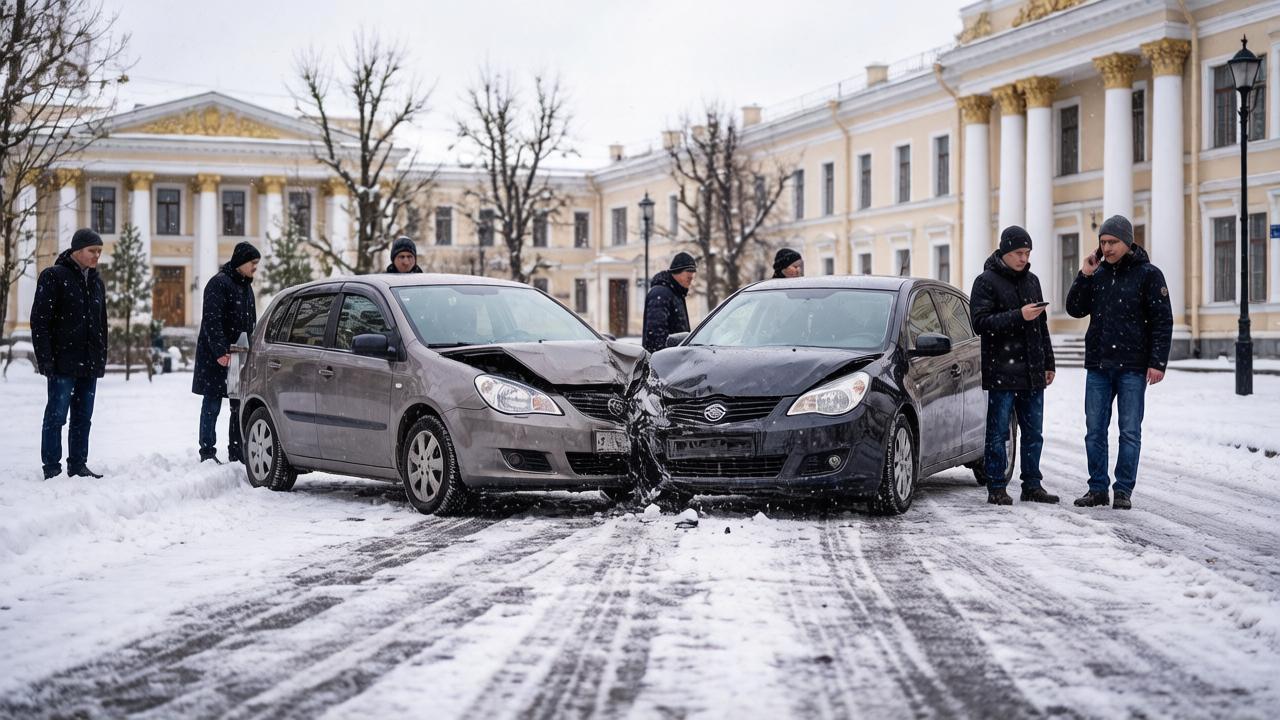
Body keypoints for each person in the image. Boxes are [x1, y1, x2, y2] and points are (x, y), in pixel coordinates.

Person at [1065, 215, 1173, 510]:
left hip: (1133, 367)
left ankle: (1123, 490)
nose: (1107, 248)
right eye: (1103, 242)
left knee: (1129, 432)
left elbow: (1162, 321)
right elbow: (1074, 308)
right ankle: (1097, 489)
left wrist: (1158, 362)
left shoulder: (1149, 275)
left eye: (1112, 242)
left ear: (1127, 242)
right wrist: (1084, 274)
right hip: (1099, 365)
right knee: (1094, 431)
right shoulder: (1097, 274)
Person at [970, 226, 1058, 506]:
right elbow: (980, 323)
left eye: (1027, 253)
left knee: (1034, 433)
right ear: (1005, 251)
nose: (1024, 258)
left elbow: (1041, 325)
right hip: (1002, 370)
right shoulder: (985, 282)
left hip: (1032, 370)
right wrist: (1018, 315)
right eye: (1019, 252)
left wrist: (1048, 362)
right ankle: (996, 486)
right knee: (998, 432)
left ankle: (1032, 484)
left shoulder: (1032, 281)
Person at [31, 228, 109, 479]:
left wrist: (101, 356)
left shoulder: (96, 282)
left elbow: (102, 323)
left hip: (89, 362)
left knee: (83, 418)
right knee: (56, 416)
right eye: (92, 250)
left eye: (99, 251)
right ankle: (52, 468)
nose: (97, 255)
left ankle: (78, 465)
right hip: (62, 361)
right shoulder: (53, 276)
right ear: (77, 250)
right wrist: (45, 359)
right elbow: (40, 321)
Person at [193, 241, 260, 463]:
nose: (255, 267)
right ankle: (207, 452)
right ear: (241, 262)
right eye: (253, 262)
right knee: (211, 405)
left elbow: (251, 322)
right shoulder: (218, 284)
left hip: (239, 355)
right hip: (217, 357)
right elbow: (212, 321)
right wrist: (220, 351)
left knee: (237, 406)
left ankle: (236, 451)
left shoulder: (246, 287)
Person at [642, 252, 696, 353]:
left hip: (673, 357)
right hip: (666, 358)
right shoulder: (661, 293)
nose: (691, 276)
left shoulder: (676, 293)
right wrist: (664, 357)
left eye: (693, 271)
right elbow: (655, 336)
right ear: (676, 271)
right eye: (689, 271)